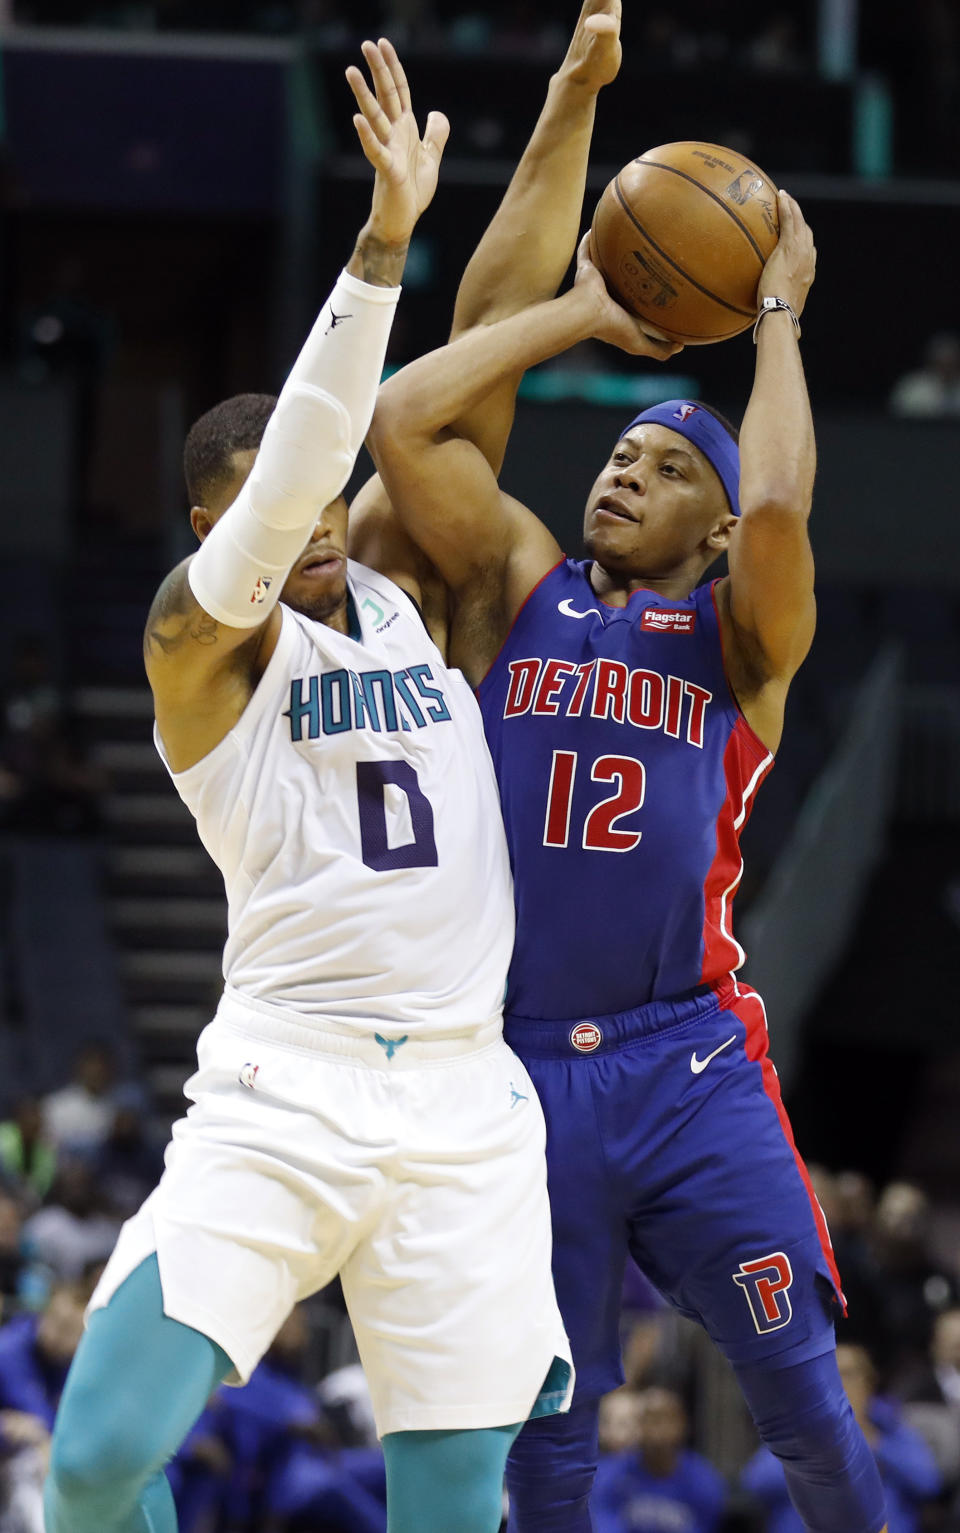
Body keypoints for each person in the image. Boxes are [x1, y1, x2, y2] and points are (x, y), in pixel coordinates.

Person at [366, 18, 888, 1533]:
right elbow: (407, 417)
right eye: (619, 457)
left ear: (713, 534)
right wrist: (586, 310)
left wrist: (775, 307)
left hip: (688, 1057)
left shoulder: (740, 639)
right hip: (513, 1060)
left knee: (799, 1396)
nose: (622, 473)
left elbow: (783, 501)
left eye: (666, 471)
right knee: (549, 1430)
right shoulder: (516, 583)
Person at [43, 42, 571, 1533]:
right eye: (270, 511)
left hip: (468, 1095)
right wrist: (380, 241)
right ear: (209, 527)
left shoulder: (407, 590)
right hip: (287, 1080)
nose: (313, 529)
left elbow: (490, 344)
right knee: (92, 1462)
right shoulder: (195, 646)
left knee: (459, 1501)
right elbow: (290, 481)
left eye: (330, 501)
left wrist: (573, 101)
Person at [743, 1345, 941, 1533]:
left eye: (846, 1374)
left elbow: (927, 1482)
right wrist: (816, 1450)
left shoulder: (891, 1428)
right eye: (826, 1374)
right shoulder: (794, 1431)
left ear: (868, 1382)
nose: (837, 1382)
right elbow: (757, 1483)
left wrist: (872, 1445)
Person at [592, 1386, 726, 1533]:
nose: (657, 1432)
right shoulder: (608, 1476)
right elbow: (605, 1524)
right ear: (637, 1426)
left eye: (666, 1421)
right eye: (649, 1421)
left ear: (683, 1425)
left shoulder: (704, 1481)